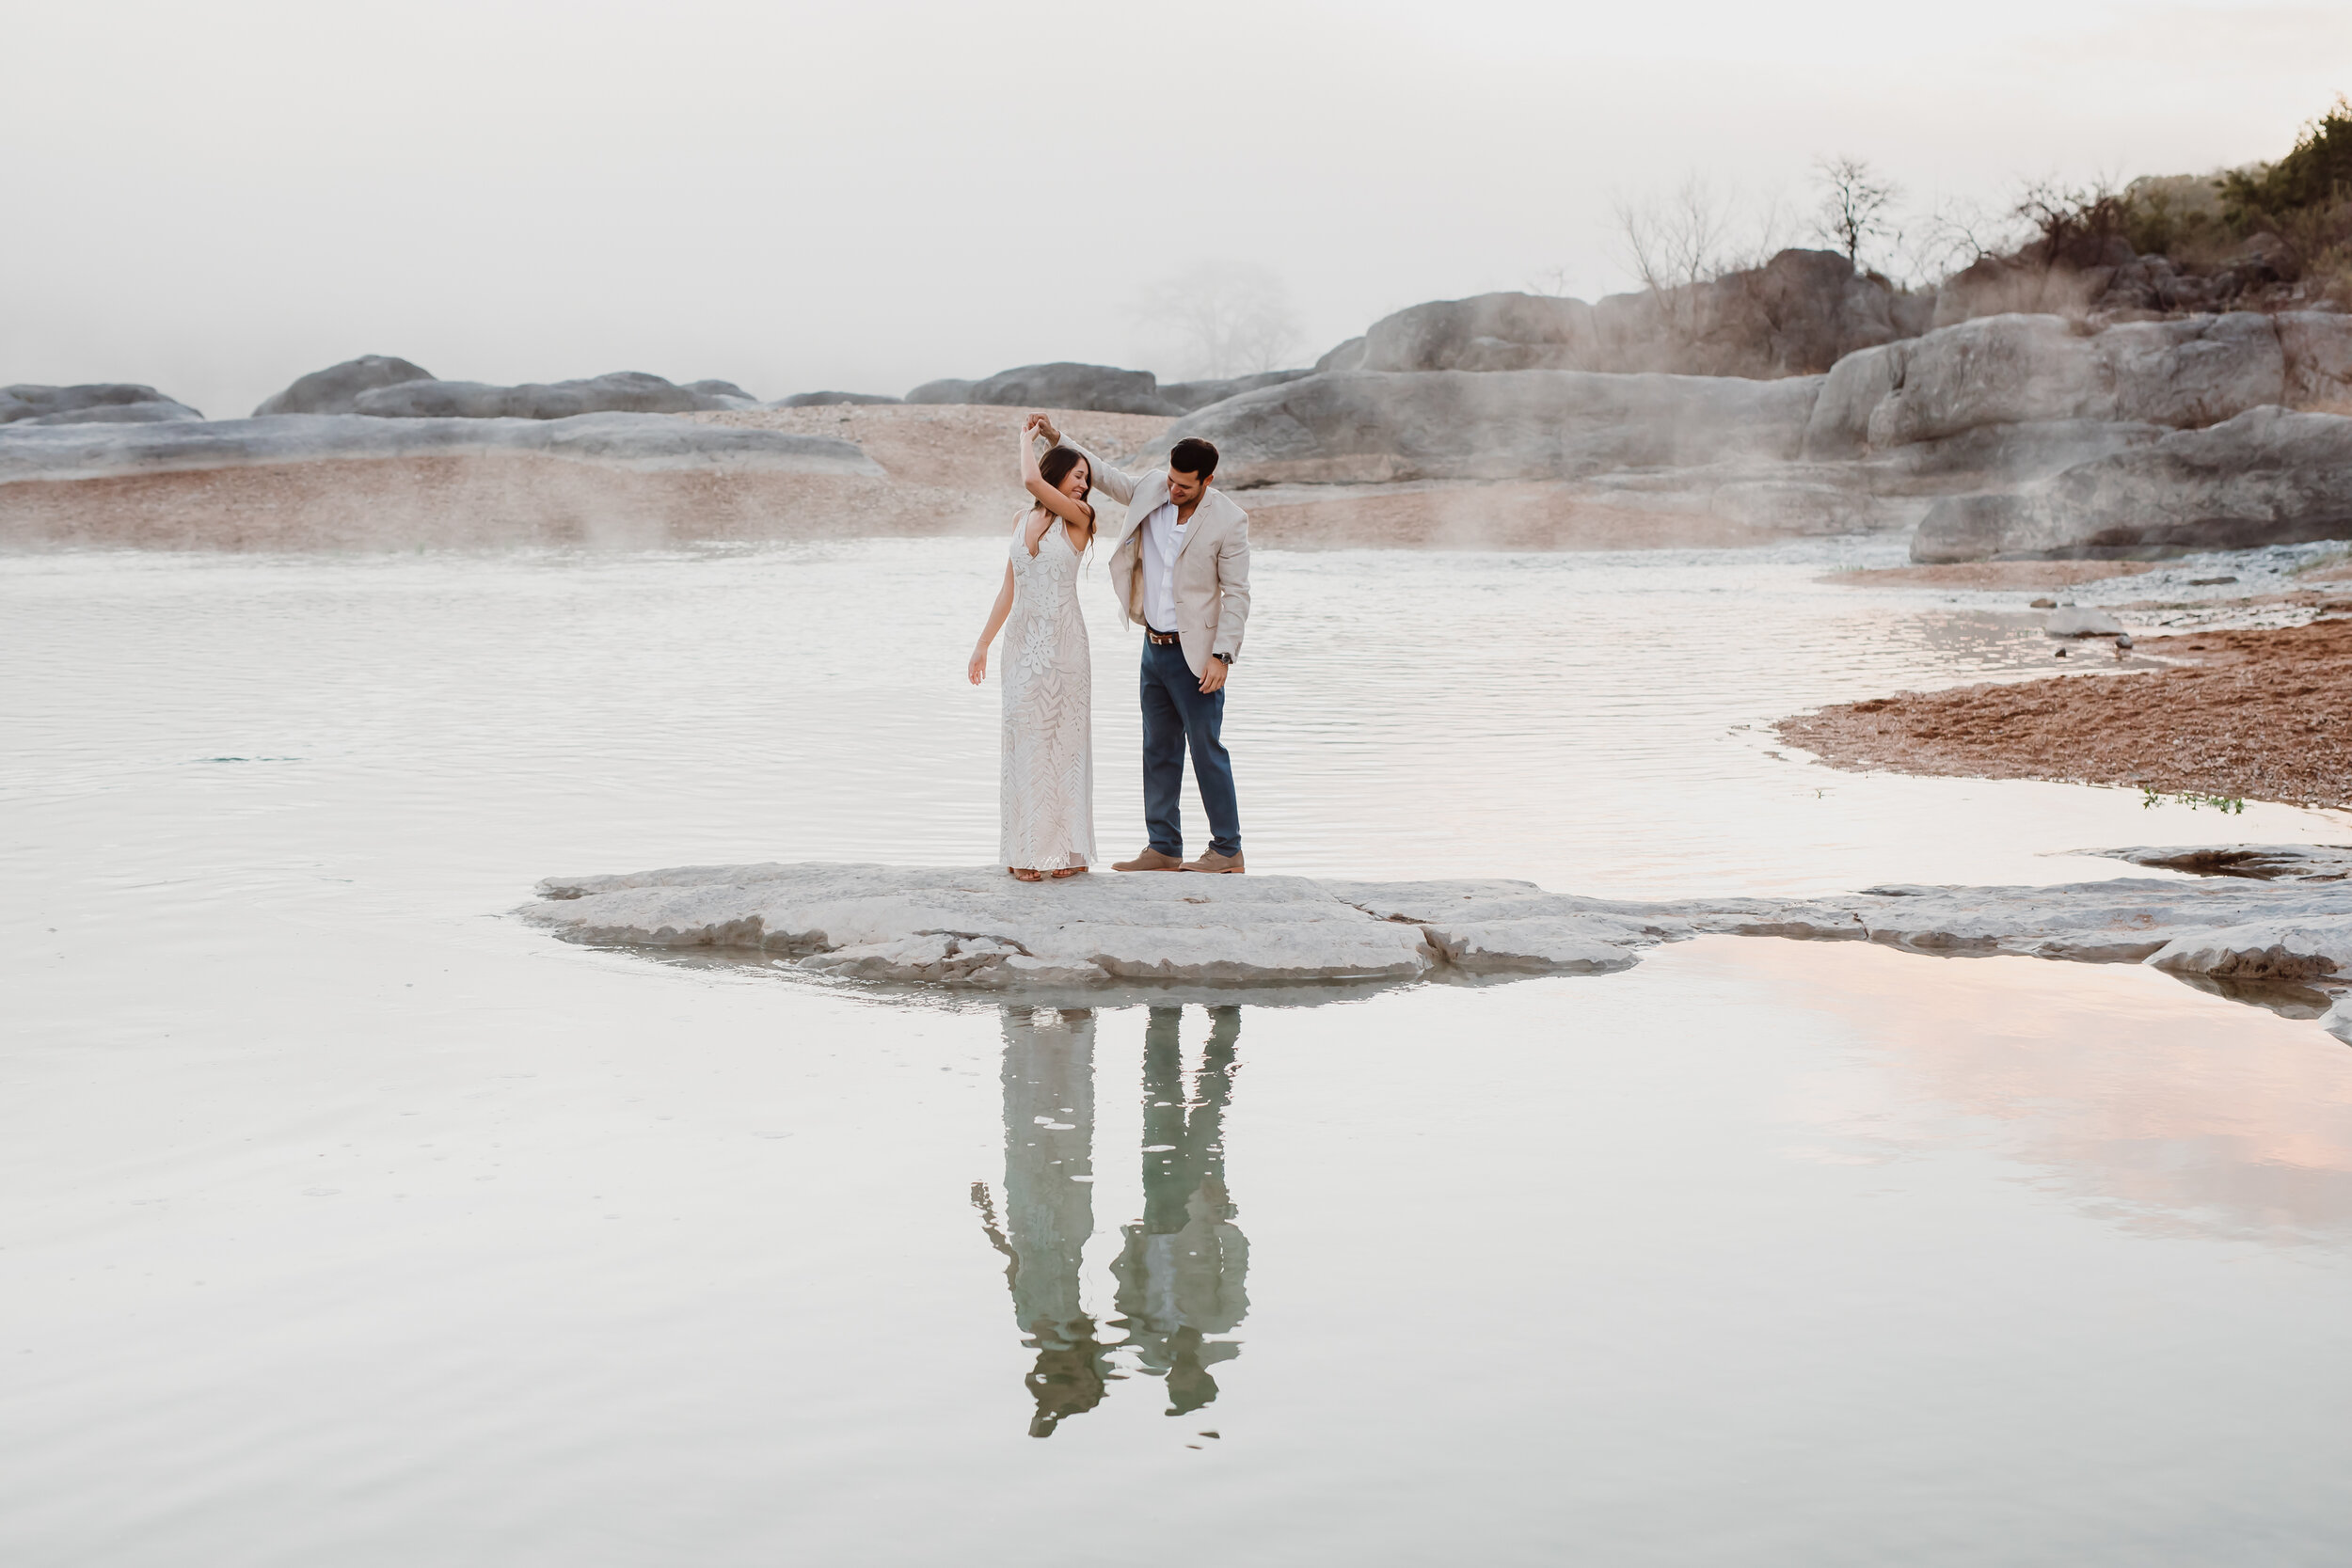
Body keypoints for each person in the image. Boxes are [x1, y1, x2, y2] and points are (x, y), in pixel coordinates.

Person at [1027, 417, 1250, 874]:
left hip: (1198, 657)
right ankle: (1164, 846)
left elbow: (1238, 594)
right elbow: (1104, 473)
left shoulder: (1229, 519)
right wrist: (1055, 438)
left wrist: (1222, 655)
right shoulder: (1153, 487)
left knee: (1207, 751)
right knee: (1158, 749)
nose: (1173, 489)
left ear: (1207, 480)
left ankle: (1227, 850)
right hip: (1153, 649)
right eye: (1170, 479)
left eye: (1184, 485)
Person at [968, 419, 1097, 881]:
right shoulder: (1020, 520)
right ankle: (1024, 847)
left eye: (1087, 478)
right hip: (1021, 646)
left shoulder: (1080, 520)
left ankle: (1068, 851)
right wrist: (983, 644)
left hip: (1065, 647)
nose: (1084, 484)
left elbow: (1028, 479)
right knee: (1023, 742)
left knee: (1064, 745)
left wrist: (1026, 439)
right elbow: (1009, 589)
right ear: (1057, 472)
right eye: (1078, 475)